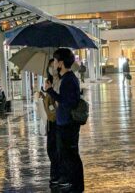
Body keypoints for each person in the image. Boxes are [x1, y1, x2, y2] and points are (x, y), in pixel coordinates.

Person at [44, 48, 84, 192]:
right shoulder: (66, 79)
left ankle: (75, 184)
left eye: (55, 61)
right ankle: (73, 182)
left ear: (61, 63)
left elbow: (67, 102)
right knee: (67, 154)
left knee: (70, 155)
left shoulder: (68, 80)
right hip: (63, 122)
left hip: (68, 123)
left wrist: (50, 91)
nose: (53, 64)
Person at [44, 59, 59, 187]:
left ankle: (55, 176)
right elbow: (50, 103)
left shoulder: (60, 81)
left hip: (58, 121)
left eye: (53, 66)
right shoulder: (50, 82)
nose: (51, 69)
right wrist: (43, 95)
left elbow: (59, 100)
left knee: (55, 149)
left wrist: (50, 91)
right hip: (50, 121)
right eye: (49, 67)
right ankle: (54, 175)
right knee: (50, 149)